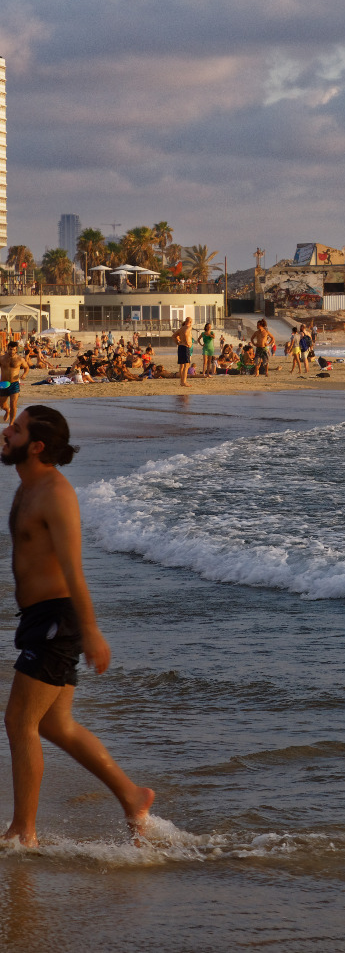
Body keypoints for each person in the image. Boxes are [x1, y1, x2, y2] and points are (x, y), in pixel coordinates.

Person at [2, 405, 154, 846]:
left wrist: (91, 631)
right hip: (38, 619)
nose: (5, 432)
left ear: (37, 446)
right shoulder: (27, 483)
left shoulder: (55, 493)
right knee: (54, 725)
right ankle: (132, 796)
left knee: (19, 722)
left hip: (57, 621)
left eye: (15, 429)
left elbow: (74, 570)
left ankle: (22, 832)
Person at [0, 339, 21, 423]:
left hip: (15, 384)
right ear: (7, 349)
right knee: (2, 405)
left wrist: (24, 374)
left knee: (13, 404)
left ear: (16, 350)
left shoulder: (20, 359)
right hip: (4, 384)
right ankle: (7, 410)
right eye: (10, 349)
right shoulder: (1, 359)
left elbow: (26, 367)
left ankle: (11, 424)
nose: (12, 351)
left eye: (14, 350)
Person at [172, 317, 193, 388]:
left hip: (180, 347)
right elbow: (186, 333)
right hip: (185, 347)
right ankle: (184, 382)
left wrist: (178, 343)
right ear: (190, 322)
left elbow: (174, 336)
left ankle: (182, 381)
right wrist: (187, 342)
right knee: (186, 365)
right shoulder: (189, 327)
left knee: (181, 366)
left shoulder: (181, 328)